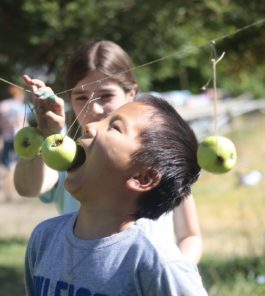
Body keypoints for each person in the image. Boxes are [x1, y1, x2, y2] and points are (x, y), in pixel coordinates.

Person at [14, 40, 202, 264]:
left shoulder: (156, 157)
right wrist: (47, 135)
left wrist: (171, 274)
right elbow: (28, 187)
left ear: (131, 92)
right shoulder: (69, 156)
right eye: (81, 97)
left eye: (105, 96)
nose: (94, 108)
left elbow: (190, 235)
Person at [25, 94, 208, 296]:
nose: (90, 126)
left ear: (143, 177)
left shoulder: (158, 263)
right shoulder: (44, 238)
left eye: (115, 127)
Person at [0, 85, 27, 201]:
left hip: (6, 138)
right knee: (16, 166)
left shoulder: (3, 106)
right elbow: (23, 123)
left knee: (7, 166)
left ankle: (8, 193)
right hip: (18, 138)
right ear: (18, 95)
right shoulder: (19, 107)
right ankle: (14, 193)